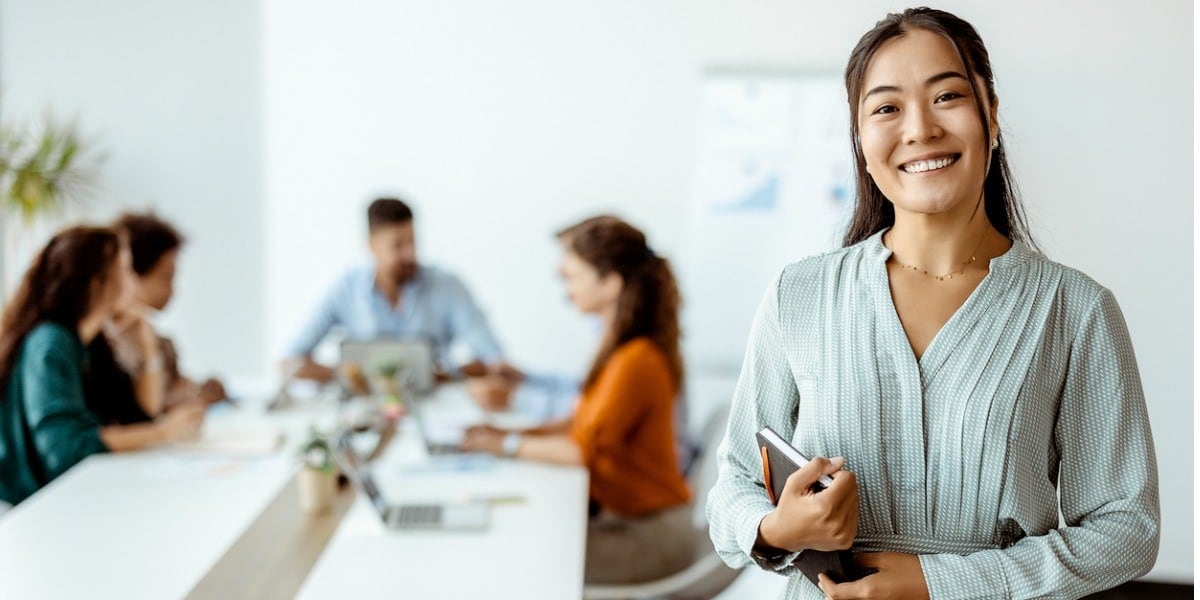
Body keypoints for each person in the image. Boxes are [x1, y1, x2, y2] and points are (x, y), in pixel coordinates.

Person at [706, 8, 1159, 600]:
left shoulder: (1075, 311)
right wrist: (773, 529)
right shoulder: (801, 293)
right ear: (861, 142)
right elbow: (733, 486)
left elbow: (1128, 529)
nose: (919, 129)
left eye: (947, 96)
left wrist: (938, 581)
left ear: (991, 116)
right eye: (887, 108)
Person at [462, 215, 693, 584]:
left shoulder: (637, 360)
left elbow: (585, 451)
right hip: (627, 521)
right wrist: (513, 435)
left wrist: (503, 443)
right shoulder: (618, 349)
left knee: (522, 564)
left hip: (649, 536)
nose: (566, 289)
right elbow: (582, 424)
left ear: (611, 283)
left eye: (573, 277)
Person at [0, 227, 204, 506]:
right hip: (30, 508)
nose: (132, 284)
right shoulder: (50, 343)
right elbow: (66, 450)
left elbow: (139, 415)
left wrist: (147, 347)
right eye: (124, 271)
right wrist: (165, 431)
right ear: (98, 283)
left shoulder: (88, 344)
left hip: (68, 497)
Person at [282, 197, 512, 395]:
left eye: (412, 241)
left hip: (433, 404)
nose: (410, 253)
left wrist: (439, 376)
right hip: (366, 408)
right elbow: (288, 364)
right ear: (372, 245)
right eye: (398, 245)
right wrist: (356, 375)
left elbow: (495, 362)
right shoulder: (345, 290)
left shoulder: (448, 286)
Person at [107, 212, 227, 409]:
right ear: (129, 273)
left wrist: (198, 391)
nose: (172, 290)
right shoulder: (104, 345)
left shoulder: (162, 344)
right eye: (166, 278)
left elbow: (175, 392)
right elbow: (143, 412)